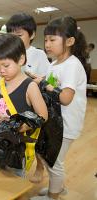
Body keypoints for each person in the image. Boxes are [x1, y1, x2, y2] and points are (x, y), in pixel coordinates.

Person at [30, 16, 87, 200]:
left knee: (54, 162)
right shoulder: (54, 64)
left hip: (67, 125)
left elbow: (65, 97)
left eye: (52, 39)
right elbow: (52, 87)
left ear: (70, 41)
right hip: (56, 122)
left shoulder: (72, 65)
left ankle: (53, 195)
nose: (47, 44)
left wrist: (45, 82)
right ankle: (58, 188)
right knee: (48, 157)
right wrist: (40, 80)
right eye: (46, 39)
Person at [0, 34, 48, 176]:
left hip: (16, 149)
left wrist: (20, 127)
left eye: (6, 65)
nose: (1, 70)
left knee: (13, 185)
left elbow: (43, 116)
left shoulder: (29, 86)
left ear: (21, 60)